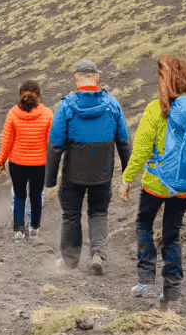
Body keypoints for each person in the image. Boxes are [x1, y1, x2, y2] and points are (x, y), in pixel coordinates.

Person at [121, 57, 186, 309]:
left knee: (143, 224)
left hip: (157, 182)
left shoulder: (157, 109)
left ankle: (146, 281)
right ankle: (172, 290)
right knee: (172, 234)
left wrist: (127, 179)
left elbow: (141, 150)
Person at [45, 59, 130, 273]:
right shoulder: (112, 105)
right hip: (102, 173)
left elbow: (55, 146)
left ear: (76, 79)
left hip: (74, 173)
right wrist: (127, 175)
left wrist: (50, 179)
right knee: (98, 212)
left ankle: (70, 260)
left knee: (71, 213)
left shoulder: (66, 106)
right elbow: (124, 142)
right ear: (97, 78)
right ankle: (98, 255)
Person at [0, 79, 52, 243]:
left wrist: (1, 162)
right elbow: (51, 143)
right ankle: (34, 228)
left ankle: (18, 230)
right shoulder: (48, 114)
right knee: (36, 196)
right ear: (39, 95)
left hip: (17, 163)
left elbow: (7, 141)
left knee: (19, 195)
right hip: (40, 164)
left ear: (20, 94)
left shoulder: (13, 113)